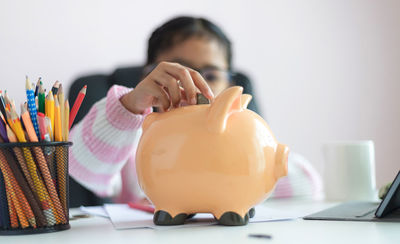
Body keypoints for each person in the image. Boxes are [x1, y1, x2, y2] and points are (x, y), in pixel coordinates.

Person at [69, 16, 322, 206]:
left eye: (211, 75)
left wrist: (254, 170)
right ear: (149, 75)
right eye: (179, 71)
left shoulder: (241, 137)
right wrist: (129, 106)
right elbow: (81, 168)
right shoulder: (135, 138)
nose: (196, 85)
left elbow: (308, 184)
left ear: (231, 85)